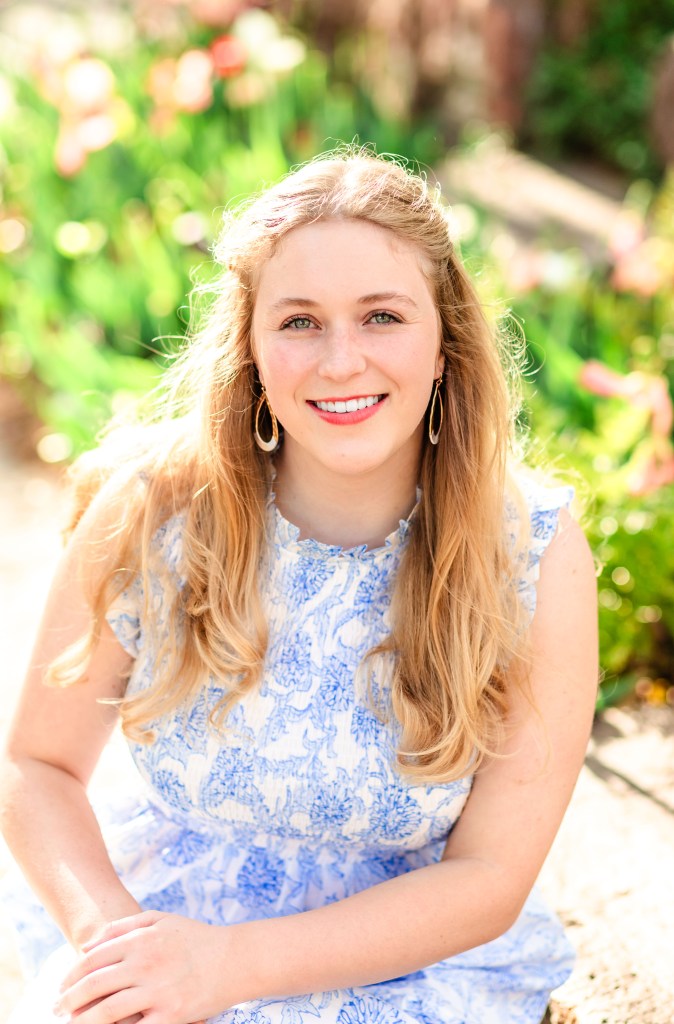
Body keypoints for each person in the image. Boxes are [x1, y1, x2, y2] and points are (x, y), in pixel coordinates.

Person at [0, 150, 597, 1024]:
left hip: (403, 965)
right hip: (163, 922)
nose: (341, 361)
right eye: (300, 322)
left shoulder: (530, 549)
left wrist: (227, 968)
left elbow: (489, 876)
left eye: (383, 316)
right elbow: (36, 765)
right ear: (250, 346)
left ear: (445, 345)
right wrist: (122, 953)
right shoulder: (154, 511)